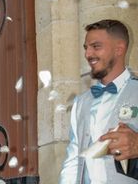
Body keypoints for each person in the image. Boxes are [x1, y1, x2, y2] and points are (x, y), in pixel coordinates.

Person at [59, 19, 138, 183]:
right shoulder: (80, 102)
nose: (88, 54)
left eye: (96, 46)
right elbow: (74, 159)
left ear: (119, 49)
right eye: (86, 48)